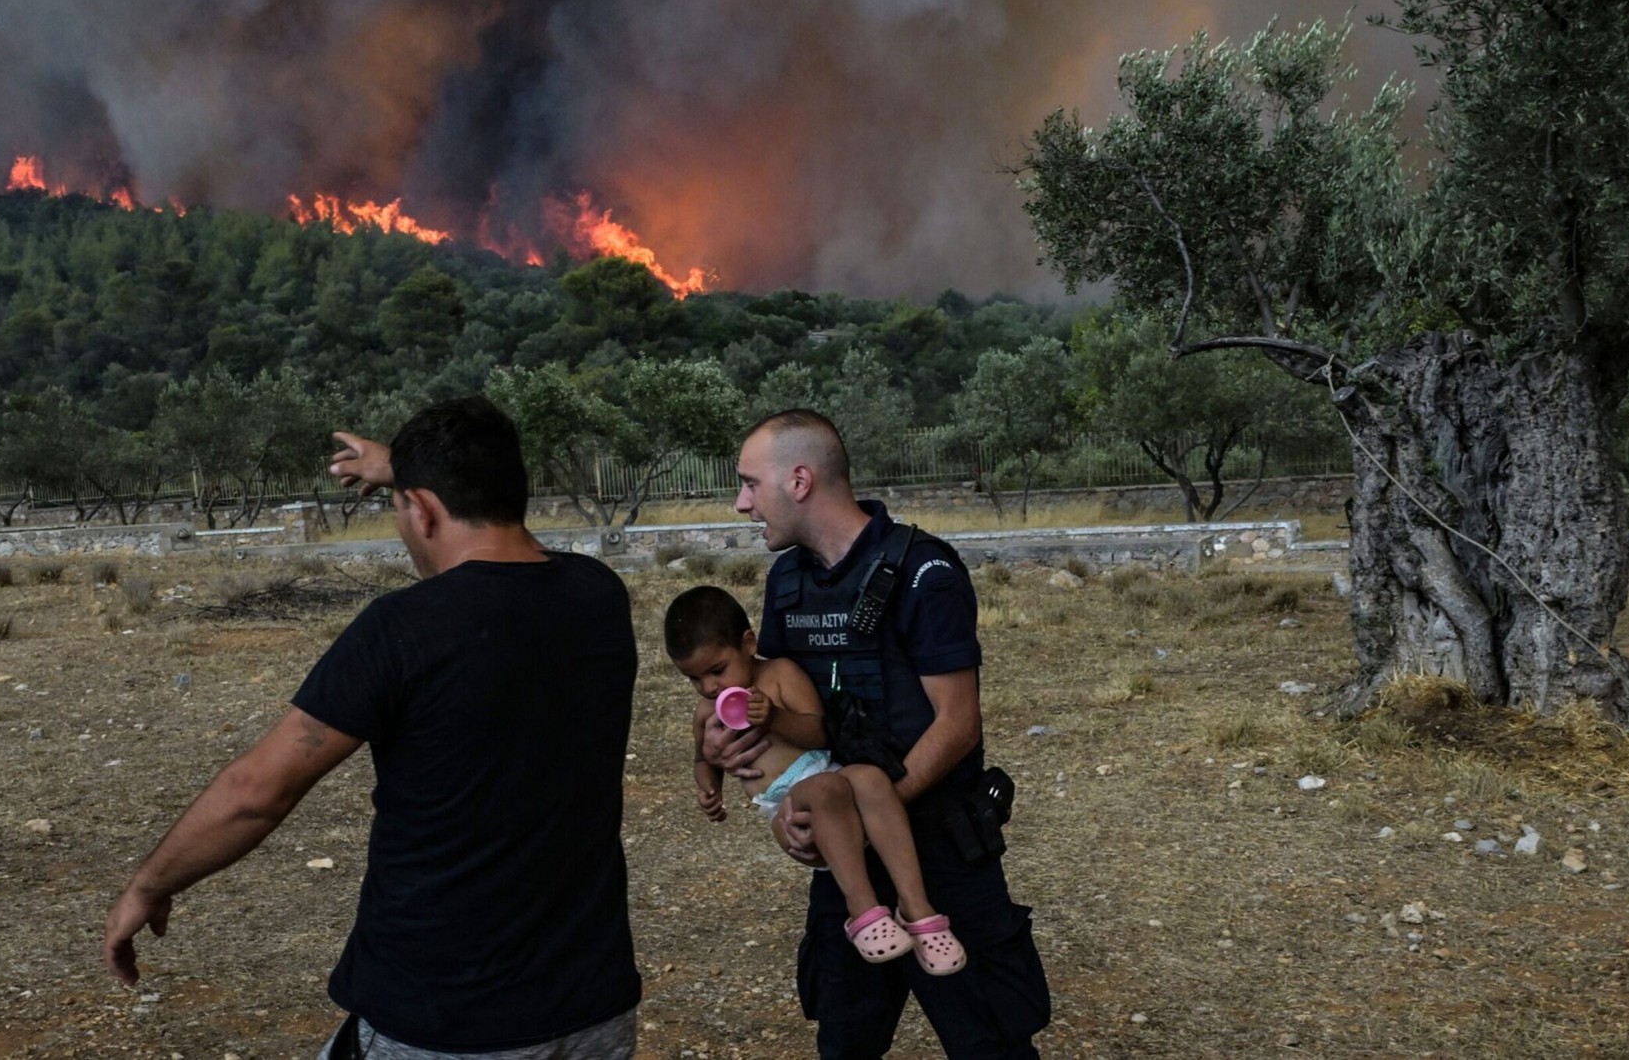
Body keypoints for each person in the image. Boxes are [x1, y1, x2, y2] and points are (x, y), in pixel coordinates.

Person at [102, 396, 641, 1059]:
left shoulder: (402, 630)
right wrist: (411, 474)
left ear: (421, 509)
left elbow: (256, 791)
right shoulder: (599, 596)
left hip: (444, 1023)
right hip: (594, 1013)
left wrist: (149, 883)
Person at [705, 409, 1051, 1059]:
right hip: (849, 867)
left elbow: (957, 721)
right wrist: (790, 811)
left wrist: (871, 806)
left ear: (800, 479)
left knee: (990, 1040)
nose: (741, 502)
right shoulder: (787, 583)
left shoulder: (925, 574)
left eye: (751, 483)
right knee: (845, 1041)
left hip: (943, 856)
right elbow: (780, 711)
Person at [664, 585, 966, 974]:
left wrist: (774, 717)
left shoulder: (780, 675)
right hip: (786, 807)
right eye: (694, 679)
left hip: (828, 776)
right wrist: (709, 786)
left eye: (717, 670)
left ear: (748, 643)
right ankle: (863, 912)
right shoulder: (707, 711)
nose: (709, 688)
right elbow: (702, 759)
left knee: (871, 779)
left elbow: (818, 733)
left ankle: (917, 909)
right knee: (827, 789)